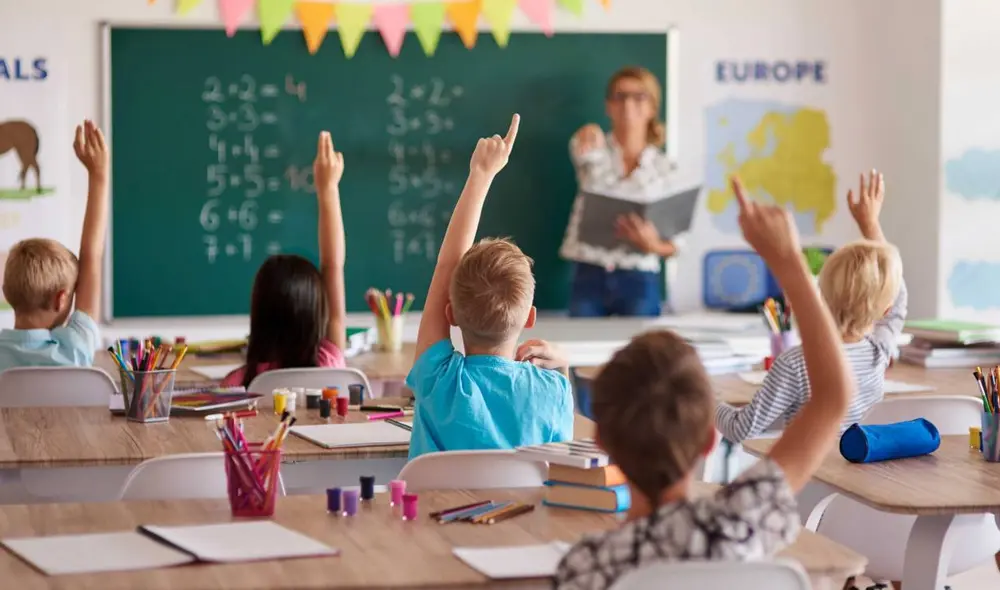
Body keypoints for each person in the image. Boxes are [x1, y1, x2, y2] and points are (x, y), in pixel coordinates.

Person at [554, 177, 855, 590]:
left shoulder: (588, 567)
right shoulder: (741, 523)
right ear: (709, 441)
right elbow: (834, 396)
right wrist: (788, 262)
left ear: (601, 441)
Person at [405, 114, 574, 461]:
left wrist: (479, 176)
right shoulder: (552, 391)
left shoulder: (440, 382)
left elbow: (446, 266)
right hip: (521, 516)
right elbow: (560, 466)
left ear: (449, 313)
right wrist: (563, 371)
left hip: (433, 516)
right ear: (529, 317)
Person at [716, 170, 906, 443]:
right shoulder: (880, 352)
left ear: (821, 294)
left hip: (809, 478)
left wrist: (707, 400)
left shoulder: (796, 363)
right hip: (855, 478)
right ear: (885, 310)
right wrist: (870, 224)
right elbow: (898, 299)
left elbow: (740, 429)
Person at [221, 132, 347, 387]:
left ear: (258, 313)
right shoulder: (329, 363)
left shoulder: (239, 384)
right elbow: (333, 265)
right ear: (317, 312)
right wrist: (328, 189)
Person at [559, 66, 679, 318]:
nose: (627, 105)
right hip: (589, 273)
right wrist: (588, 131)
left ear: (652, 108)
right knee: (583, 352)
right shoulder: (592, 148)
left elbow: (676, 244)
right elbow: (579, 147)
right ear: (608, 106)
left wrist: (652, 244)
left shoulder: (666, 168)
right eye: (620, 96)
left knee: (641, 355)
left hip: (639, 277)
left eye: (639, 97)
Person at [0, 120, 107, 369]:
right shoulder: (75, 350)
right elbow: (92, 254)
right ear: (62, 299)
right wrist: (98, 174)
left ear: (5, 292)